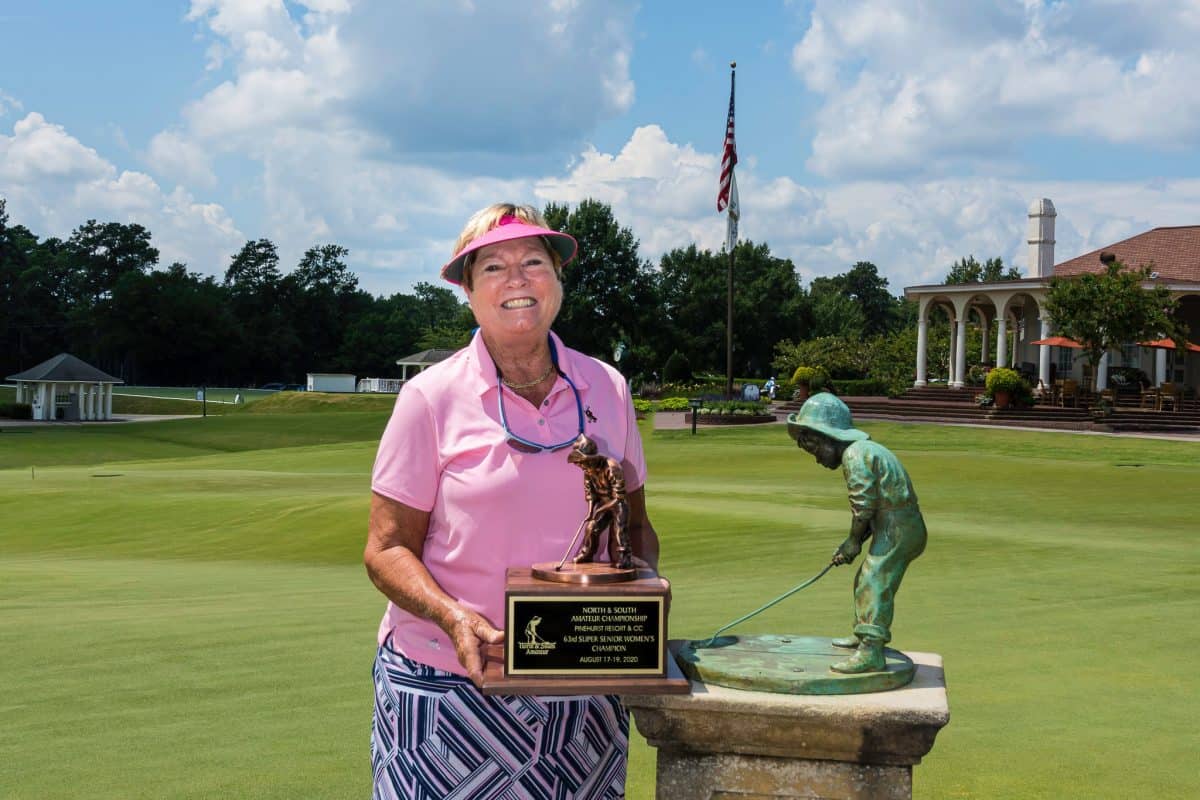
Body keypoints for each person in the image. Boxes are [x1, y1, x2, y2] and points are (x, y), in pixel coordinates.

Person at [364, 203, 660, 799]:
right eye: (494, 266)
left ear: (558, 280)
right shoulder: (429, 397)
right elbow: (387, 548)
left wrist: (637, 603)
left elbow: (637, 524)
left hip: (583, 688)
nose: (518, 279)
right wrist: (453, 616)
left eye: (534, 262)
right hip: (451, 686)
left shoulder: (608, 385)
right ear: (468, 290)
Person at [787, 393, 927, 674]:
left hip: (899, 528)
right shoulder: (865, 449)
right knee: (865, 579)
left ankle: (871, 651)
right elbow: (872, 510)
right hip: (896, 524)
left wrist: (853, 541)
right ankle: (863, 634)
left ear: (827, 438)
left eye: (815, 450)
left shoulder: (855, 454)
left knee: (873, 581)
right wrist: (852, 542)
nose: (817, 460)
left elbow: (863, 506)